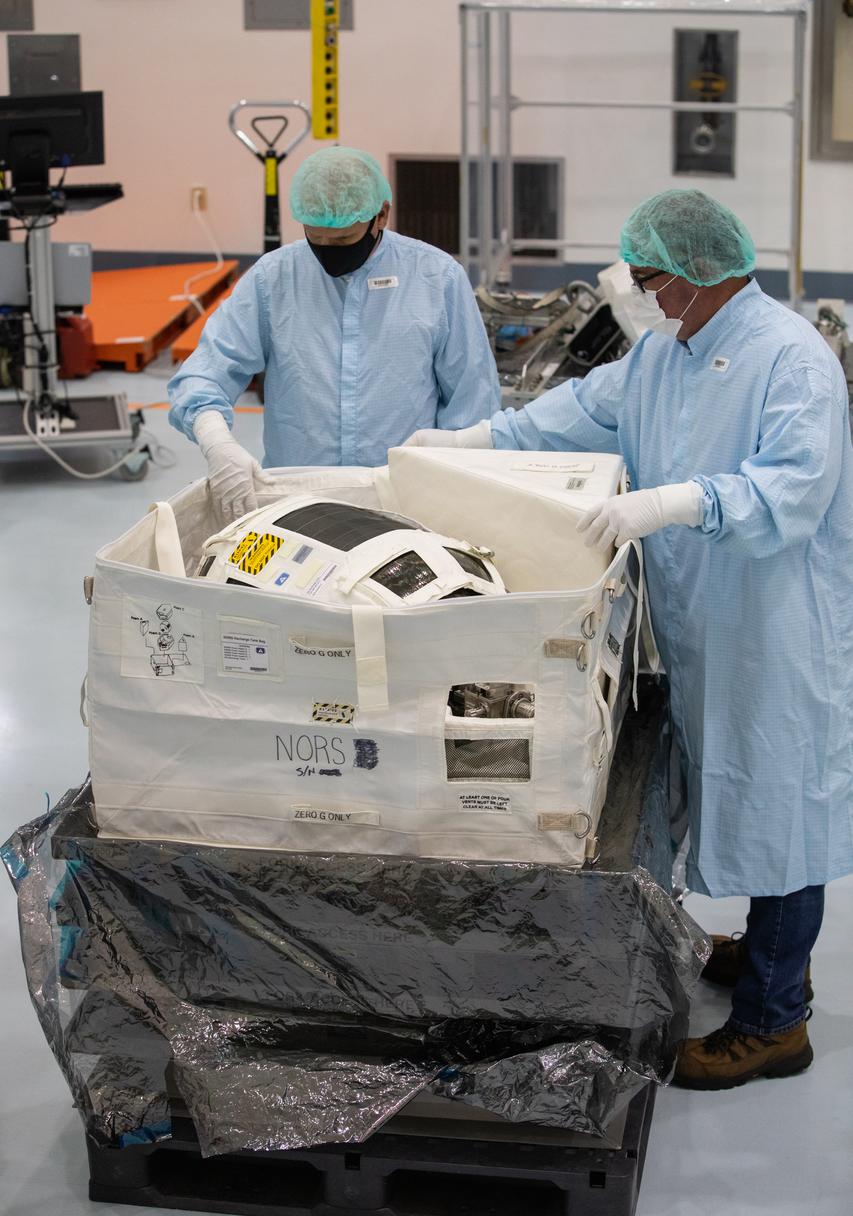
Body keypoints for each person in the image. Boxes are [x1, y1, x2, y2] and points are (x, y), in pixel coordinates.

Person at [405, 189, 853, 1090]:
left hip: (774, 627)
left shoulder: (792, 360)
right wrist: (464, 440)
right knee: (724, 784)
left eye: (653, 280)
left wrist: (673, 500)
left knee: (779, 804)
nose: (645, 296)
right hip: (700, 620)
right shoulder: (662, 353)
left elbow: (792, 491)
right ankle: (772, 954)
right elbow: (571, 412)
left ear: (700, 272)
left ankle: (776, 1023)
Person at [167, 146, 499, 522]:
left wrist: (458, 493)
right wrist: (217, 443)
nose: (328, 253)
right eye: (316, 239)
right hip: (296, 500)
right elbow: (202, 375)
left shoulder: (437, 279)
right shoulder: (273, 279)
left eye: (343, 241)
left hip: (406, 499)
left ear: (381, 216)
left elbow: (473, 404)